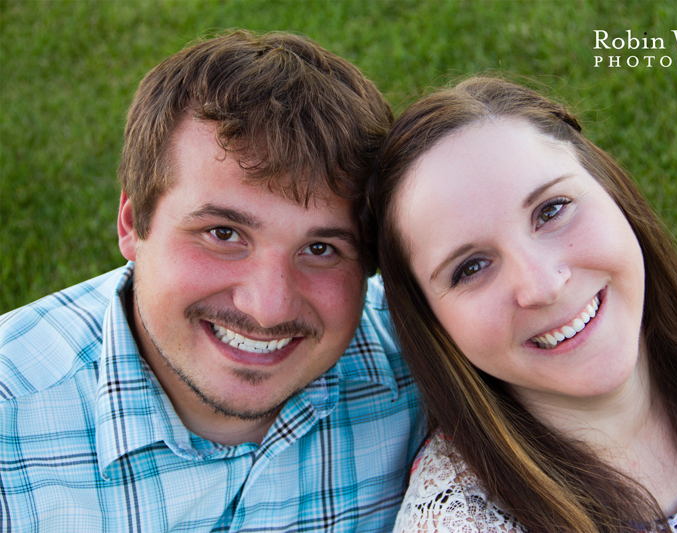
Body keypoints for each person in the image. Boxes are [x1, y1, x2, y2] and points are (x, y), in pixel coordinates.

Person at [0, 31, 423, 532]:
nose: (267, 309)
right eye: (223, 233)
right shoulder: (12, 426)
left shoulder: (425, 373)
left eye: (320, 249)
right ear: (133, 224)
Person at [366, 77, 677, 533]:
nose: (543, 286)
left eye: (551, 210)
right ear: (430, 321)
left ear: (610, 188)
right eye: (471, 268)